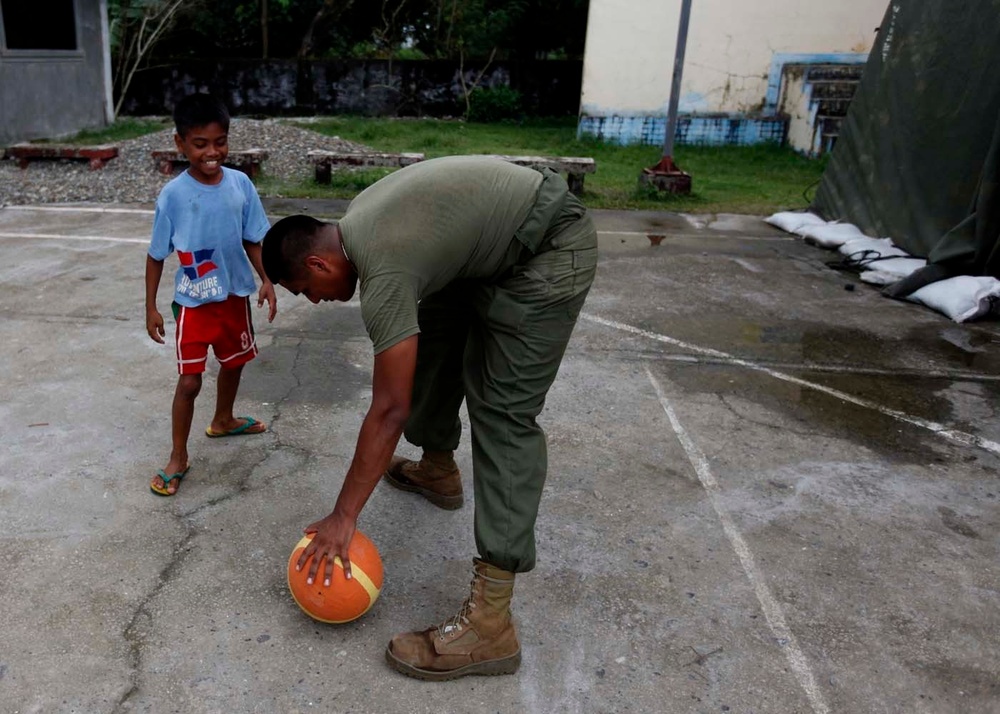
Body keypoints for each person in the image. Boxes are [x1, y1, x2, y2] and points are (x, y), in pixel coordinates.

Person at [261, 155, 597, 681]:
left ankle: (490, 626)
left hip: (548, 246)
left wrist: (344, 515)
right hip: (502, 238)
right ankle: (438, 466)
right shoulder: (357, 223)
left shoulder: (384, 269)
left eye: (307, 291)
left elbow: (389, 408)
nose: (317, 301)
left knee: (503, 411)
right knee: (434, 334)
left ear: (320, 265)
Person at [145, 93, 277, 497]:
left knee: (235, 363)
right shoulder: (172, 196)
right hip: (193, 303)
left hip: (234, 297)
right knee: (189, 382)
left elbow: (254, 238)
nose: (212, 151)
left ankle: (223, 420)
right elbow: (155, 256)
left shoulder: (240, 184)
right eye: (200, 144)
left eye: (220, 141)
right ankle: (178, 456)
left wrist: (267, 278)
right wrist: (150, 306)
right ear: (180, 143)